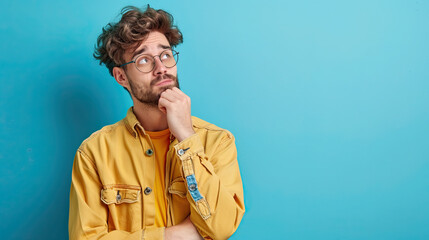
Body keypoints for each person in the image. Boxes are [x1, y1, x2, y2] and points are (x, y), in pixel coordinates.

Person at [68, 5, 245, 240]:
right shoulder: (93, 153)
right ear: (121, 77)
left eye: (165, 55)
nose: (161, 68)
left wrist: (188, 138)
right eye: (143, 60)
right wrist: (175, 236)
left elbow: (222, 227)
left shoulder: (217, 142)